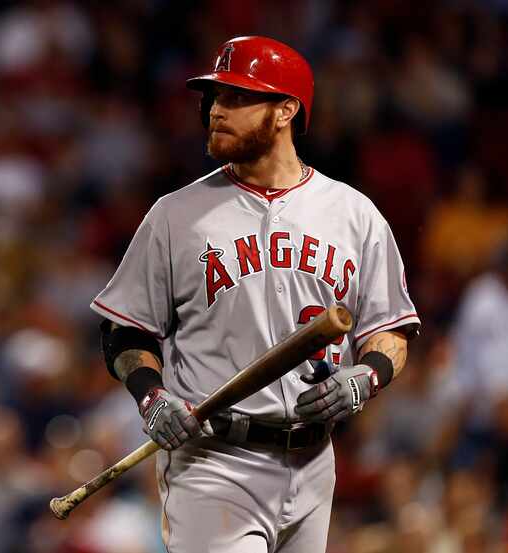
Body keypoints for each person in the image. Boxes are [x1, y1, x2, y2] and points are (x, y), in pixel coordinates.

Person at [92, 36, 420, 553]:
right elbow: (123, 330)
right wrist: (151, 396)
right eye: (215, 98)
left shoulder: (355, 215)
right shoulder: (176, 215)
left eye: (238, 98)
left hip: (313, 461)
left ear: (287, 110)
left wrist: (365, 378)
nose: (217, 111)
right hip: (214, 459)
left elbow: (391, 331)